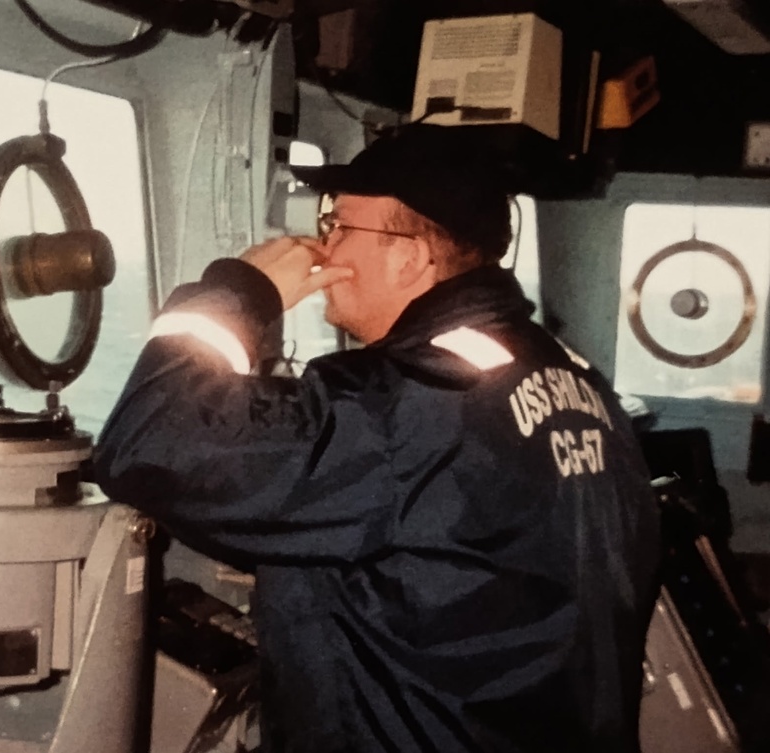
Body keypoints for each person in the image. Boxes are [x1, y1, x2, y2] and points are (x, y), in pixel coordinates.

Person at [93, 123, 661, 753]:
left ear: (410, 256)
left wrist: (240, 290)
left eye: (340, 225)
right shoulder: (569, 374)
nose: (322, 244)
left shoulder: (412, 398)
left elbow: (148, 438)